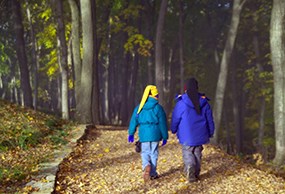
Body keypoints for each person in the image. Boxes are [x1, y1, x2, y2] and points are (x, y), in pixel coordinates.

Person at [171, 77, 215, 182]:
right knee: (197, 153)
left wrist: (173, 129)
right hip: (200, 134)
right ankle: (196, 172)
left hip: (186, 135)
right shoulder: (204, 102)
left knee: (188, 152)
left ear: (185, 89)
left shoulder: (181, 103)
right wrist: (211, 131)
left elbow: (176, 118)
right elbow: (210, 119)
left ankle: (190, 167)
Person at [128, 85, 168, 182]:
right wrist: (165, 136)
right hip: (155, 134)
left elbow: (134, 120)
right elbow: (163, 123)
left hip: (144, 134)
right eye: (157, 95)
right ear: (154, 96)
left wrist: (131, 133)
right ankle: (153, 173)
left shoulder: (139, 107)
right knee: (153, 153)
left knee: (145, 152)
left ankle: (146, 166)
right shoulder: (158, 108)